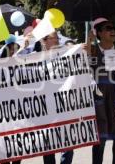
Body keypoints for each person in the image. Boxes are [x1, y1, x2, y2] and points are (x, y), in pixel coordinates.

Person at [86, 17, 115, 164]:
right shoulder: (92, 49)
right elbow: (86, 67)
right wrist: (89, 42)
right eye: (108, 28)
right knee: (100, 142)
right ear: (98, 33)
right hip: (100, 101)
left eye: (114, 28)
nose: (113, 31)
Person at [41, 32, 74, 164]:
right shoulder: (36, 59)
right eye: (53, 38)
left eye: (57, 38)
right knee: (48, 146)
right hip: (46, 108)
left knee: (68, 144)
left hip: (65, 106)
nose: (57, 41)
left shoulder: (64, 55)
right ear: (45, 41)